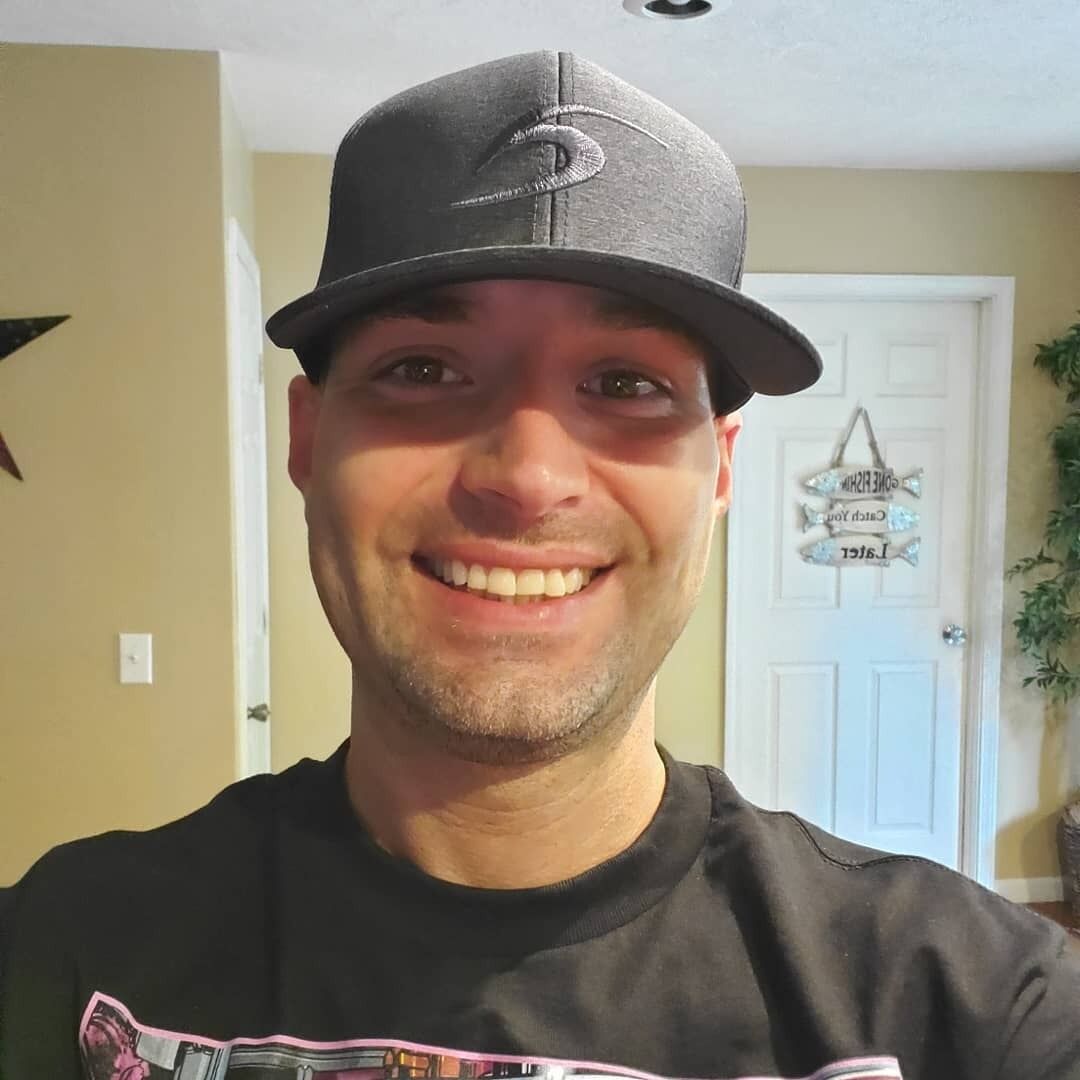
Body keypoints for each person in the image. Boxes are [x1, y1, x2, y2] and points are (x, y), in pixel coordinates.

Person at [1, 49, 1077, 1080]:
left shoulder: (979, 1005)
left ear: (719, 470)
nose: (527, 476)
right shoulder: (70, 952)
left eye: (626, 384)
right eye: (424, 369)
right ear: (307, 441)